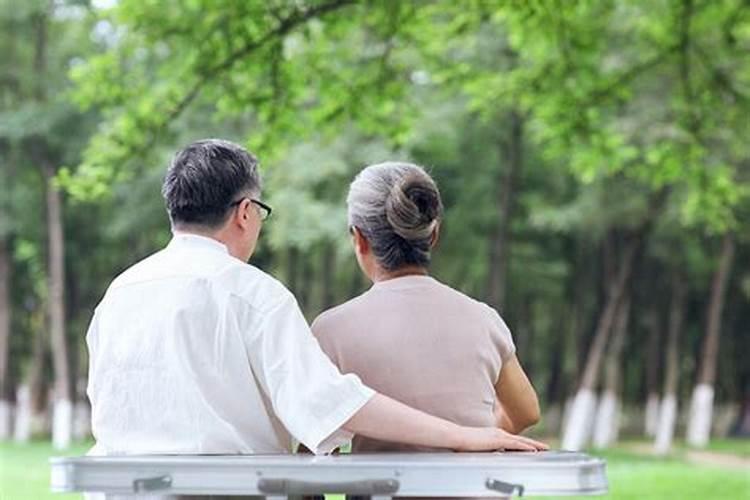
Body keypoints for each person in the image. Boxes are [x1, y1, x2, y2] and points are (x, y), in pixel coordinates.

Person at [85, 140, 546, 466]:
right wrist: (465, 436)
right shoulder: (252, 295)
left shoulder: (118, 296)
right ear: (246, 213)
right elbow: (331, 407)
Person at [312, 161, 542, 454]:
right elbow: (526, 412)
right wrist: (474, 441)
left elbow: (316, 442)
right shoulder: (484, 319)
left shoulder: (331, 329)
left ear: (359, 238)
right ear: (433, 236)